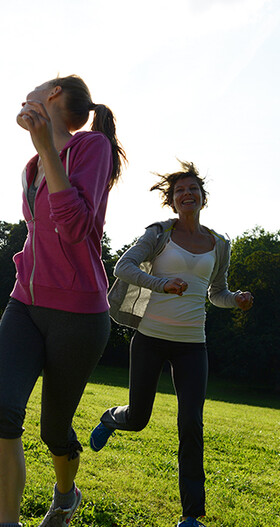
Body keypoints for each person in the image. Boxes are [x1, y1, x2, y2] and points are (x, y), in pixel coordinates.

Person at [0, 74, 126, 527]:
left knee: (54, 430)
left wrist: (47, 148)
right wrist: (42, 151)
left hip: (80, 314)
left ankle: (66, 493)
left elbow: (75, 229)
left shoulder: (91, 147)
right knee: (3, 416)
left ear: (53, 95)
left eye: (37, 87)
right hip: (25, 305)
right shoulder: (33, 165)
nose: (26, 94)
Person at [90, 161, 254, 527]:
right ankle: (112, 417)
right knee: (138, 418)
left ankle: (191, 515)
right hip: (150, 339)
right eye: (180, 190)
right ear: (172, 200)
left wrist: (237, 298)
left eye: (193, 188)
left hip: (193, 344)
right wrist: (160, 284)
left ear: (202, 197)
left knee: (191, 424)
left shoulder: (219, 244)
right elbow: (123, 267)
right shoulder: (159, 233)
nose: (187, 194)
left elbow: (217, 294)